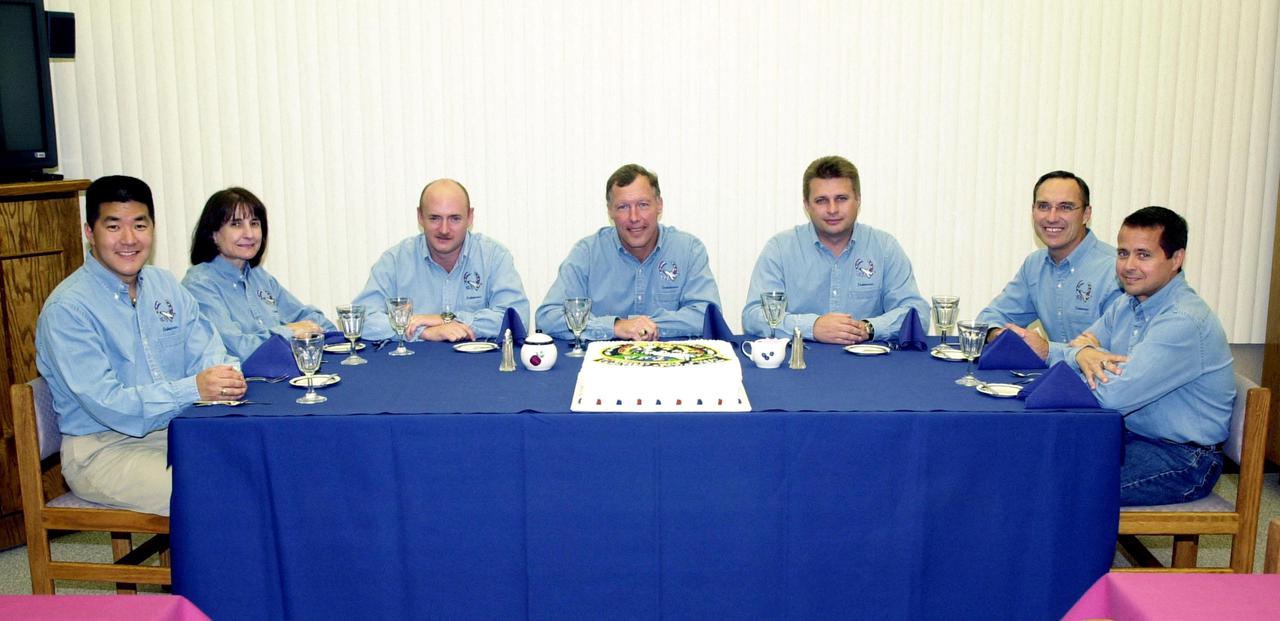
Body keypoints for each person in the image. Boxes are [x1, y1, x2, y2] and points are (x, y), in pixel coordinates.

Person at [35, 175, 244, 516]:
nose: (129, 239)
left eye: (140, 225)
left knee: (264, 465)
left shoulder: (164, 285)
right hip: (102, 449)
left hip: (172, 433)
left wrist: (225, 376)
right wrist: (194, 389)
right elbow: (108, 404)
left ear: (153, 229)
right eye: (114, 226)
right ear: (90, 233)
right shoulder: (68, 310)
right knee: (217, 490)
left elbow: (208, 350)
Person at [1052, 206, 1234, 506]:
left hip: (1184, 459)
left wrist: (1088, 357)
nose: (1128, 265)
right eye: (1123, 253)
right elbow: (1076, 350)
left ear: (1176, 259)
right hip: (1131, 436)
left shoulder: (1182, 321)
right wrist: (1086, 354)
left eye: (1143, 255)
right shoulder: (1127, 303)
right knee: (1037, 465)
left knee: (1063, 490)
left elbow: (1112, 397)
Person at [741, 155, 928, 343]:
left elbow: (917, 314)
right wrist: (812, 327)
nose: (832, 209)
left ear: (858, 200)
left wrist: (867, 328)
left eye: (841, 198)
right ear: (806, 205)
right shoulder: (780, 249)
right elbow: (753, 316)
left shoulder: (884, 247)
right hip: (800, 365)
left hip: (870, 364)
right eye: (821, 200)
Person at [535, 164, 721, 341]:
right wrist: (615, 327)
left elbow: (707, 315)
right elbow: (548, 317)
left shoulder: (688, 250)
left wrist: (646, 326)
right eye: (623, 207)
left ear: (659, 205)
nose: (634, 217)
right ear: (610, 211)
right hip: (603, 368)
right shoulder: (588, 254)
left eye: (643, 205)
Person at [354, 178, 529, 342]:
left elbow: (517, 319)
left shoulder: (493, 257)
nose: (444, 229)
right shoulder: (395, 260)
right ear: (420, 217)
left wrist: (448, 319)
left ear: (470, 217)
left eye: (454, 218)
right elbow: (361, 319)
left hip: (477, 366)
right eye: (434, 218)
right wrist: (422, 331)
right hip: (411, 367)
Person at [978, 171, 1122, 359]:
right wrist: (997, 334)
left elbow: (1118, 354)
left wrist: (1048, 351)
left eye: (1065, 207)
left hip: (1100, 384)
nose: (1052, 217)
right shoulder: (1035, 265)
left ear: (1086, 214)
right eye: (1043, 206)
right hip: (1056, 380)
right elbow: (992, 316)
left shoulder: (1117, 270)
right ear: (1033, 211)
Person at [182, 187, 336, 359]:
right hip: (244, 381)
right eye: (236, 224)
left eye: (254, 223)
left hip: (281, 372)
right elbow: (238, 349)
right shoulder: (200, 285)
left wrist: (328, 333)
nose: (249, 234)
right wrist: (290, 331)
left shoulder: (258, 276)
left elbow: (305, 316)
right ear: (213, 235)